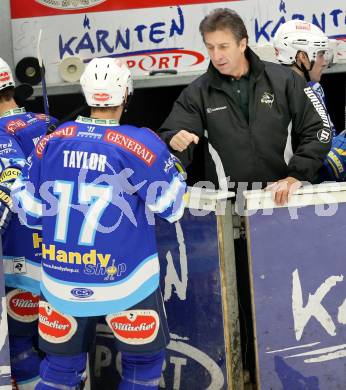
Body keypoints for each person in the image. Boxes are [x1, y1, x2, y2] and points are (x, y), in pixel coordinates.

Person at [12, 58, 187, 390]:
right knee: (143, 367)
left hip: (60, 281)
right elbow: (172, 206)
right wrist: (174, 167)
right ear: (127, 94)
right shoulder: (141, 142)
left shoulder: (50, 141)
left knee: (60, 371)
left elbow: (28, 211)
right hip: (125, 282)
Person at [158, 8, 332, 206]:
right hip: (231, 212)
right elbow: (169, 138)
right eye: (210, 47)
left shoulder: (285, 81)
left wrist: (296, 176)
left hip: (284, 204)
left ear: (242, 44)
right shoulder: (197, 93)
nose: (216, 55)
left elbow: (319, 130)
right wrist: (173, 140)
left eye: (223, 46)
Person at [0, 57, 58, 389]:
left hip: (18, 258)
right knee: (62, 347)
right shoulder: (49, 121)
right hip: (65, 256)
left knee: (20, 348)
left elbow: (10, 186)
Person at [273, 19, 346, 183]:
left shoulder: (283, 86)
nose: (324, 62)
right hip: (295, 190)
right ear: (302, 57)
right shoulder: (305, 92)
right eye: (320, 54)